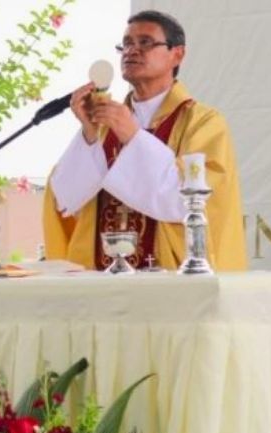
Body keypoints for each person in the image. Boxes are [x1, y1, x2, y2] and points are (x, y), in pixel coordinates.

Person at [43, 10, 247, 271]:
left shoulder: (203, 122)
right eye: (126, 44)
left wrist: (132, 136)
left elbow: (188, 202)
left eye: (145, 42)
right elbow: (64, 201)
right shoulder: (106, 122)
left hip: (168, 279)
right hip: (100, 280)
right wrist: (89, 135)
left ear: (178, 54)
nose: (132, 51)